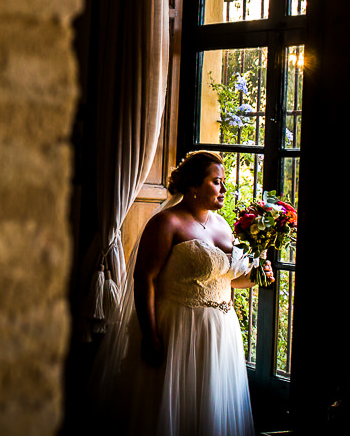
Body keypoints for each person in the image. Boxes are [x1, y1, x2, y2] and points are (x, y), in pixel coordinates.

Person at [90, 150, 273, 435]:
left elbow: (225, 279)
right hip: (180, 327)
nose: (224, 188)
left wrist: (256, 278)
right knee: (174, 406)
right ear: (194, 186)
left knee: (211, 411)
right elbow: (144, 278)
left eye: (223, 182)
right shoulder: (167, 223)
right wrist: (150, 334)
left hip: (221, 331)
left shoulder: (223, 225)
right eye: (216, 181)